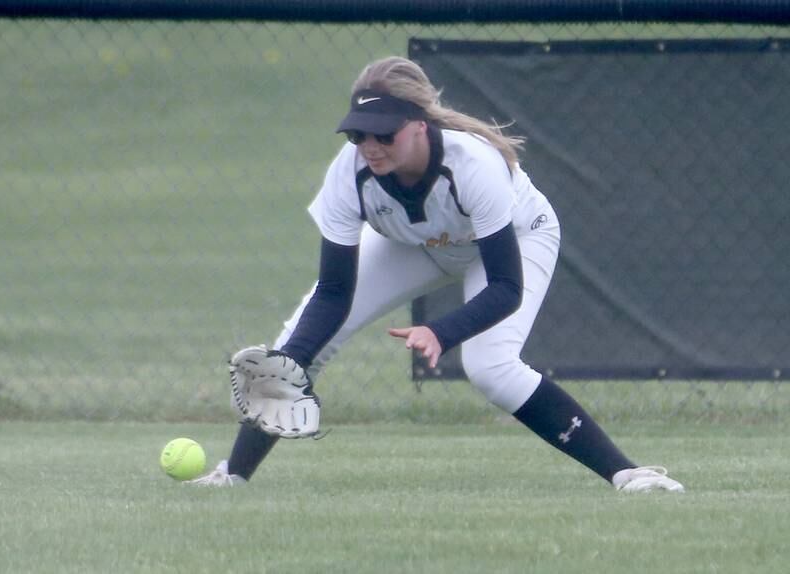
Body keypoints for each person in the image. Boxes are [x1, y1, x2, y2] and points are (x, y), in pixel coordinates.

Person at [192, 56, 684, 493]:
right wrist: (291, 365)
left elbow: (506, 287)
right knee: (298, 344)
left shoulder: (473, 166)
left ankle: (627, 474)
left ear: (420, 125)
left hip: (514, 241)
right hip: (418, 242)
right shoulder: (350, 174)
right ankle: (231, 476)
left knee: (490, 368)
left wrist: (440, 331)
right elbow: (334, 292)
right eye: (359, 132)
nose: (371, 145)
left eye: (385, 132)